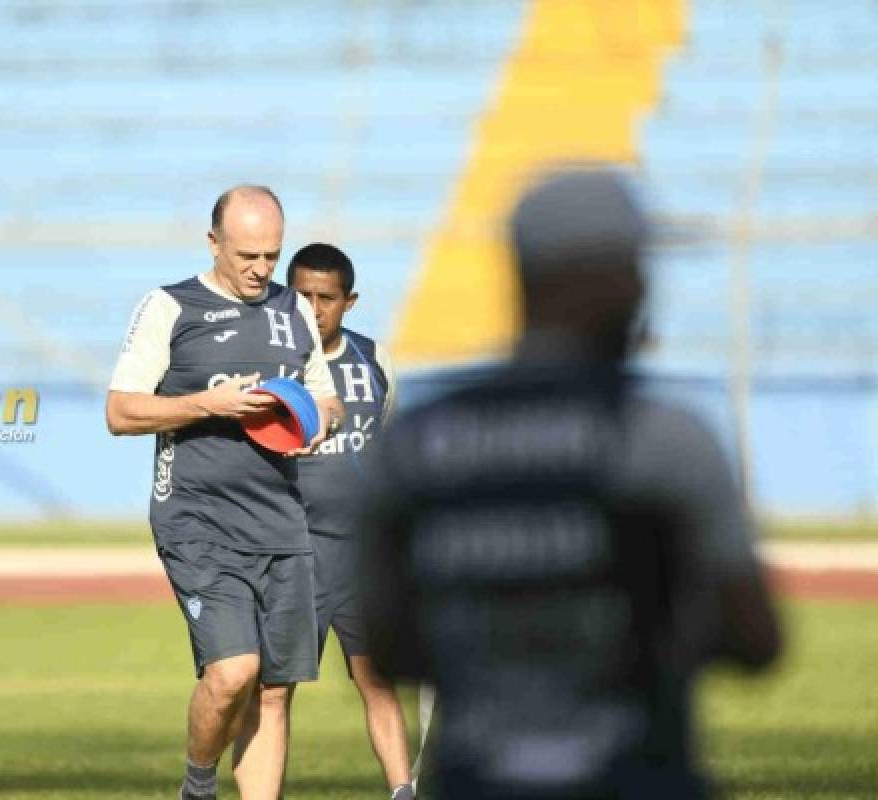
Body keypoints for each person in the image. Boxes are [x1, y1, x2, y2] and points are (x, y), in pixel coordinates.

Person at [358, 166, 783, 799]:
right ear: (602, 280)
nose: (645, 284)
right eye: (632, 266)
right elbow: (757, 640)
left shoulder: (418, 441)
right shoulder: (666, 438)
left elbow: (388, 648)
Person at [106, 185, 343, 800]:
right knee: (234, 669)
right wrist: (205, 404)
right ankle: (198, 785)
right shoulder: (169, 308)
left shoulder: (293, 310)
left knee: (272, 688)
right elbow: (120, 411)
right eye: (247, 257)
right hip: (198, 520)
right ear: (213, 243)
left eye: (272, 255)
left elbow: (325, 395)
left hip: (282, 521)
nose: (262, 270)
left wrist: (316, 421)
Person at [286, 243, 416, 800]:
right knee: (275, 689)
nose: (313, 308)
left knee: (377, 681)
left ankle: (402, 790)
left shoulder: (373, 360)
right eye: (302, 296)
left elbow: (388, 446)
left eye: (326, 298)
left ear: (349, 301)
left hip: (361, 558)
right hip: (293, 552)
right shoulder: (271, 366)